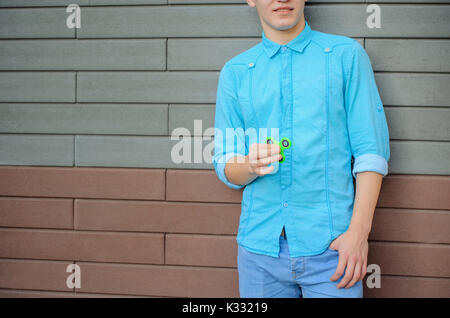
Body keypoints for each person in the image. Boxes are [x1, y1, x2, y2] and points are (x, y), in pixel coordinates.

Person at [213, 0, 390, 298]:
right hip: (259, 253)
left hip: (334, 251)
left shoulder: (346, 56)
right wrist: (249, 165)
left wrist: (358, 235)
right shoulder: (235, 72)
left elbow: (371, 152)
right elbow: (225, 164)